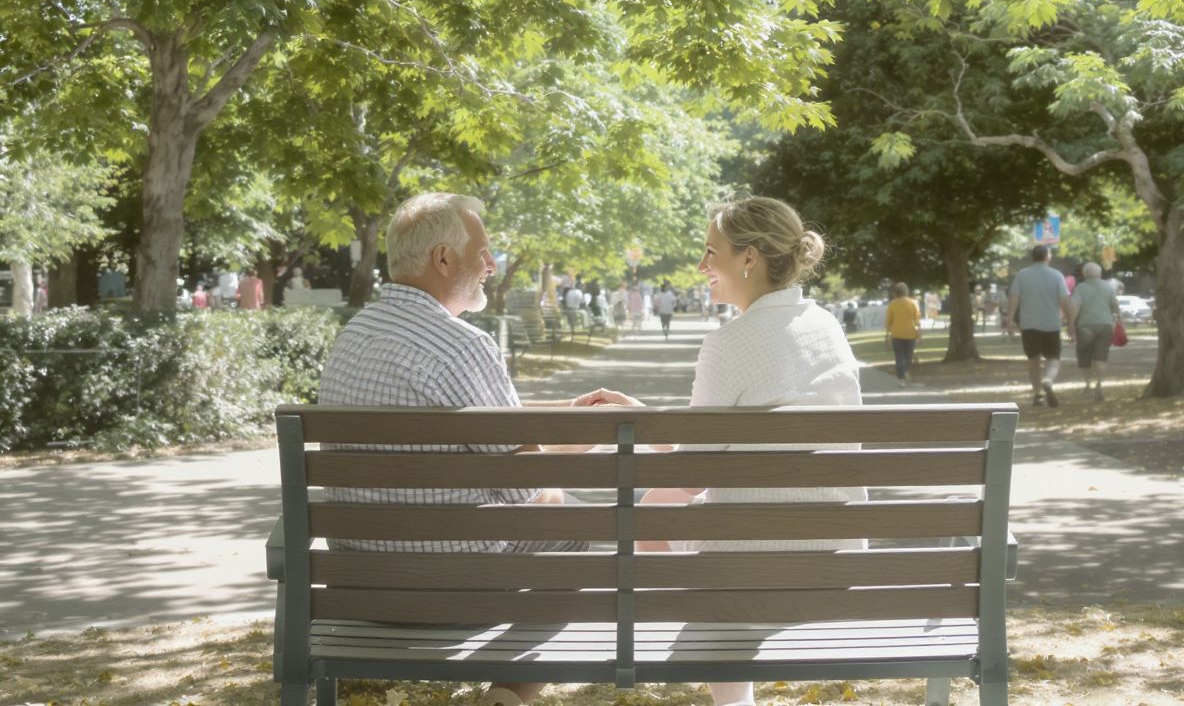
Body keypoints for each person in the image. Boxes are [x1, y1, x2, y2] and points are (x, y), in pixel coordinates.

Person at [319, 192, 607, 706]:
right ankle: (508, 695)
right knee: (578, 531)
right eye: (484, 252)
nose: (492, 265)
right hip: (450, 590)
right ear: (443, 259)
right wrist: (580, 448)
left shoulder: (353, 336)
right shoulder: (462, 345)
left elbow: (464, 419)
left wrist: (560, 411)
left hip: (358, 581)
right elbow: (526, 483)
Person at [584, 195, 864, 706]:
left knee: (653, 506)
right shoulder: (827, 328)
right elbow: (712, 450)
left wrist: (642, 428)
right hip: (835, 566)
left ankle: (720, 682)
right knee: (676, 504)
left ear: (749, 258)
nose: (701, 265)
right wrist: (651, 418)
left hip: (744, 573)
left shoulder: (728, 343)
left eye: (711, 252)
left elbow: (692, 473)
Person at [1005, 245, 1072, 408]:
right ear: (1047, 257)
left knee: (1033, 359)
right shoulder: (1056, 275)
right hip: (1051, 323)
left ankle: (1037, 394)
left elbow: (1014, 298)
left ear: (1032, 257)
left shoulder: (1022, 275)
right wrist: (1070, 322)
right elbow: (1064, 300)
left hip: (1028, 324)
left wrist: (1010, 320)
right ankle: (1048, 379)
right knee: (1054, 358)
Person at [1070, 261, 1122, 401]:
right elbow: (1115, 306)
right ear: (1099, 273)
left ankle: (1088, 384)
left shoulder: (1080, 288)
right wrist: (1117, 321)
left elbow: (1075, 306)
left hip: (1085, 326)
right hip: (1105, 325)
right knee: (1101, 355)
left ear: (1084, 274)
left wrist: (1070, 324)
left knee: (1084, 355)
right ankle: (1099, 383)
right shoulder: (1108, 287)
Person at [885, 282, 922, 387]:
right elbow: (917, 321)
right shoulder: (912, 303)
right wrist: (920, 335)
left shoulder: (892, 304)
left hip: (896, 334)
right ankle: (903, 374)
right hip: (910, 334)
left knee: (899, 357)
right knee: (908, 357)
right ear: (906, 291)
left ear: (895, 293)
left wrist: (887, 335)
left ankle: (902, 377)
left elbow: (888, 321)